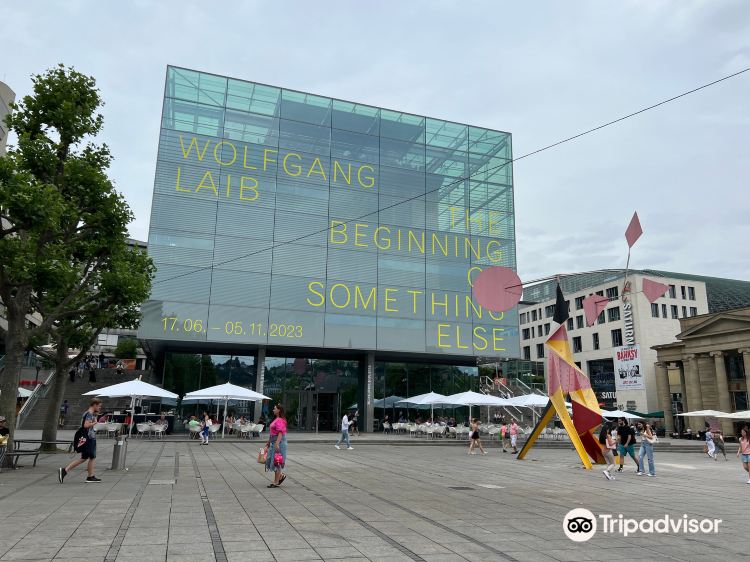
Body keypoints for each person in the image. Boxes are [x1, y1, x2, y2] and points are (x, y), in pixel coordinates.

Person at [58, 398, 102, 484]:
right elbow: (86, 425)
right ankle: (90, 477)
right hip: (89, 438)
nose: (100, 408)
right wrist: (95, 422)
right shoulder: (89, 414)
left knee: (84, 458)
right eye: (99, 406)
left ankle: (65, 470)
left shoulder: (87, 413)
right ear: (94, 405)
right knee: (92, 457)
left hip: (88, 437)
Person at [264, 403, 288, 488]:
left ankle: (276, 481)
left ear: (279, 410)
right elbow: (272, 433)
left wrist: (277, 443)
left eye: (274, 408)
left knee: (277, 462)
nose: (273, 410)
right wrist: (268, 442)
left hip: (279, 443)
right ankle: (280, 476)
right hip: (274, 442)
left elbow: (280, 432)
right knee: (272, 461)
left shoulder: (280, 420)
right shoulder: (276, 419)